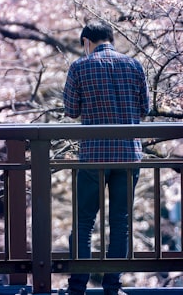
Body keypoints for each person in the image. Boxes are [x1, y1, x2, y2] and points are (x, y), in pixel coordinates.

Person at [63, 19, 150, 295]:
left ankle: (78, 286)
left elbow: (71, 110)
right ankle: (113, 286)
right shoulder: (134, 65)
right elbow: (145, 108)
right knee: (121, 222)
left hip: (93, 155)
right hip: (127, 154)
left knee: (84, 221)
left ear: (87, 41)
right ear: (111, 38)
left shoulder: (79, 66)